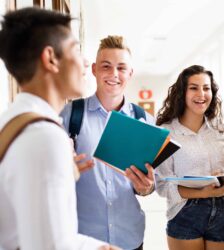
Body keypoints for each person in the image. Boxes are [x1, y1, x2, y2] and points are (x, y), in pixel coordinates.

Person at [0, 7, 114, 249]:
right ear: (50, 58)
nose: (85, 62)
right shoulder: (44, 137)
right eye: (76, 49)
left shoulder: (11, 123)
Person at [60, 35, 155, 250]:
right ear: (94, 69)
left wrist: (146, 187)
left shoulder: (145, 122)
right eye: (106, 66)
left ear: (130, 74)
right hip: (83, 239)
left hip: (129, 238)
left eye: (121, 68)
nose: (114, 74)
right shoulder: (69, 116)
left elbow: (149, 186)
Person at [155, 65, 224, 250]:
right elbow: (162, 186)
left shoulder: (219, 128)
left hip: (221, 210)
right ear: (182, 92)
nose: (201, 94)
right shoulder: (167, 133)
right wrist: (204, 192)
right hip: (185, 213)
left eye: (206, 88)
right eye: (194, 88)